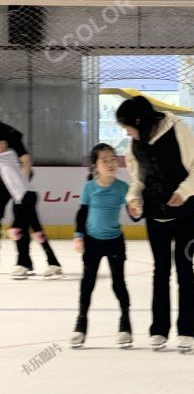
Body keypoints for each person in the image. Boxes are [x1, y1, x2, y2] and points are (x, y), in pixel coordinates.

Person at [118, 95, 194, 353]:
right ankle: (159, 330)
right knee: (160, 271)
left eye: (128, 126)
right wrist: (134, 199)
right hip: (154, 216)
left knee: (184, 268)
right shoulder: (135, 143)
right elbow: (137, 179)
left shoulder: (177, 129)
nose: (126, 131)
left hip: (187, 214)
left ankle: (186, 331)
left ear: (140, 121)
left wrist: (185, 191)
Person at [70, 144, 133, 349]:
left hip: (115, 241)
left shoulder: (123, 187)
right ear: (95, 165)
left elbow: (134, 214)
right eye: (104, 160)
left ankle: (125, 324)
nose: (110, 163)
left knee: (118, 283)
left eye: (113, 159)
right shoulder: (89, 187)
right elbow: (82, 214)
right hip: (92, 242)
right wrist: (79, 236)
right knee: (87, 284)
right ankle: (80, 325)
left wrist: (135, 210)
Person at [0, 121, 62, 279]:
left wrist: (25, 184)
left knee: (16, 229)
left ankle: (22, 263)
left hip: (25, 196)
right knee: (36, 230)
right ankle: (53, 263)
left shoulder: (9, 154)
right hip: (24, 196)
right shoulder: (7, 156)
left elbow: (26, 160)